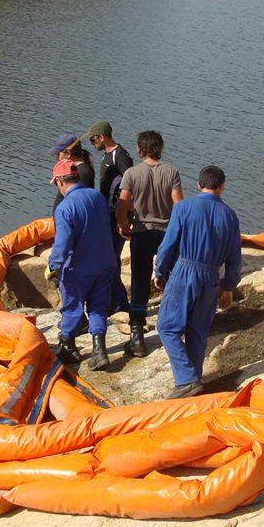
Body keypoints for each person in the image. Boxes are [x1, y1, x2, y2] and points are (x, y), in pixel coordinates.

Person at [153, 166, 242, 399]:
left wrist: (160, 272)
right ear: (222, 186)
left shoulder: (183, 208)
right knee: (198, 331)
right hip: (211, 276)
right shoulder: (230, 216)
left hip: (185, 271)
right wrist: (229, 287)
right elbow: (234, 258)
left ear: (198, 184)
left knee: (167, 326)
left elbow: (168, 245)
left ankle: (186, 380)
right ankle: (195, 381)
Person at [116, 130, 183, 357]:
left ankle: (137, 337)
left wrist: (123, 224)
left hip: (142, 232)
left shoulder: (132, 174)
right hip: (166, 233)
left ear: (139, 149)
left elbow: (123, 203)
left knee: (139, 281)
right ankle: (175, 328)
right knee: (172, 279)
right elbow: (179, 206)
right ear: (161, 148)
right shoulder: (171, 172)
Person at [46, 160, 117, 370]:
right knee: (98, 307)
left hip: (78, 269)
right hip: (105, 263)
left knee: (72, 307)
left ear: (60, 181)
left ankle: (67, 346)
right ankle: (99, 350)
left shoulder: (64, 207)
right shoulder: (98, 197)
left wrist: (53, 266)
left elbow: (63, 243)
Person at [82, 120, 133, 315]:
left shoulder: (121, 156)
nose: (92, 143)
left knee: (112, 259)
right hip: (107, 214)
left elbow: (130, 187)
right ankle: (114, 300)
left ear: (102, 137)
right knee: (108, 257)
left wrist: (124, 219)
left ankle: (119, 302)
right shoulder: (107, 156)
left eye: (93, 139)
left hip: (116, 215)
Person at [50, 133, 96, 215]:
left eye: (58, 154)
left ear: (68, 153)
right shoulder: (74, 169)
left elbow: (78, 203)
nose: (57, 158)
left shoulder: (83, 172)